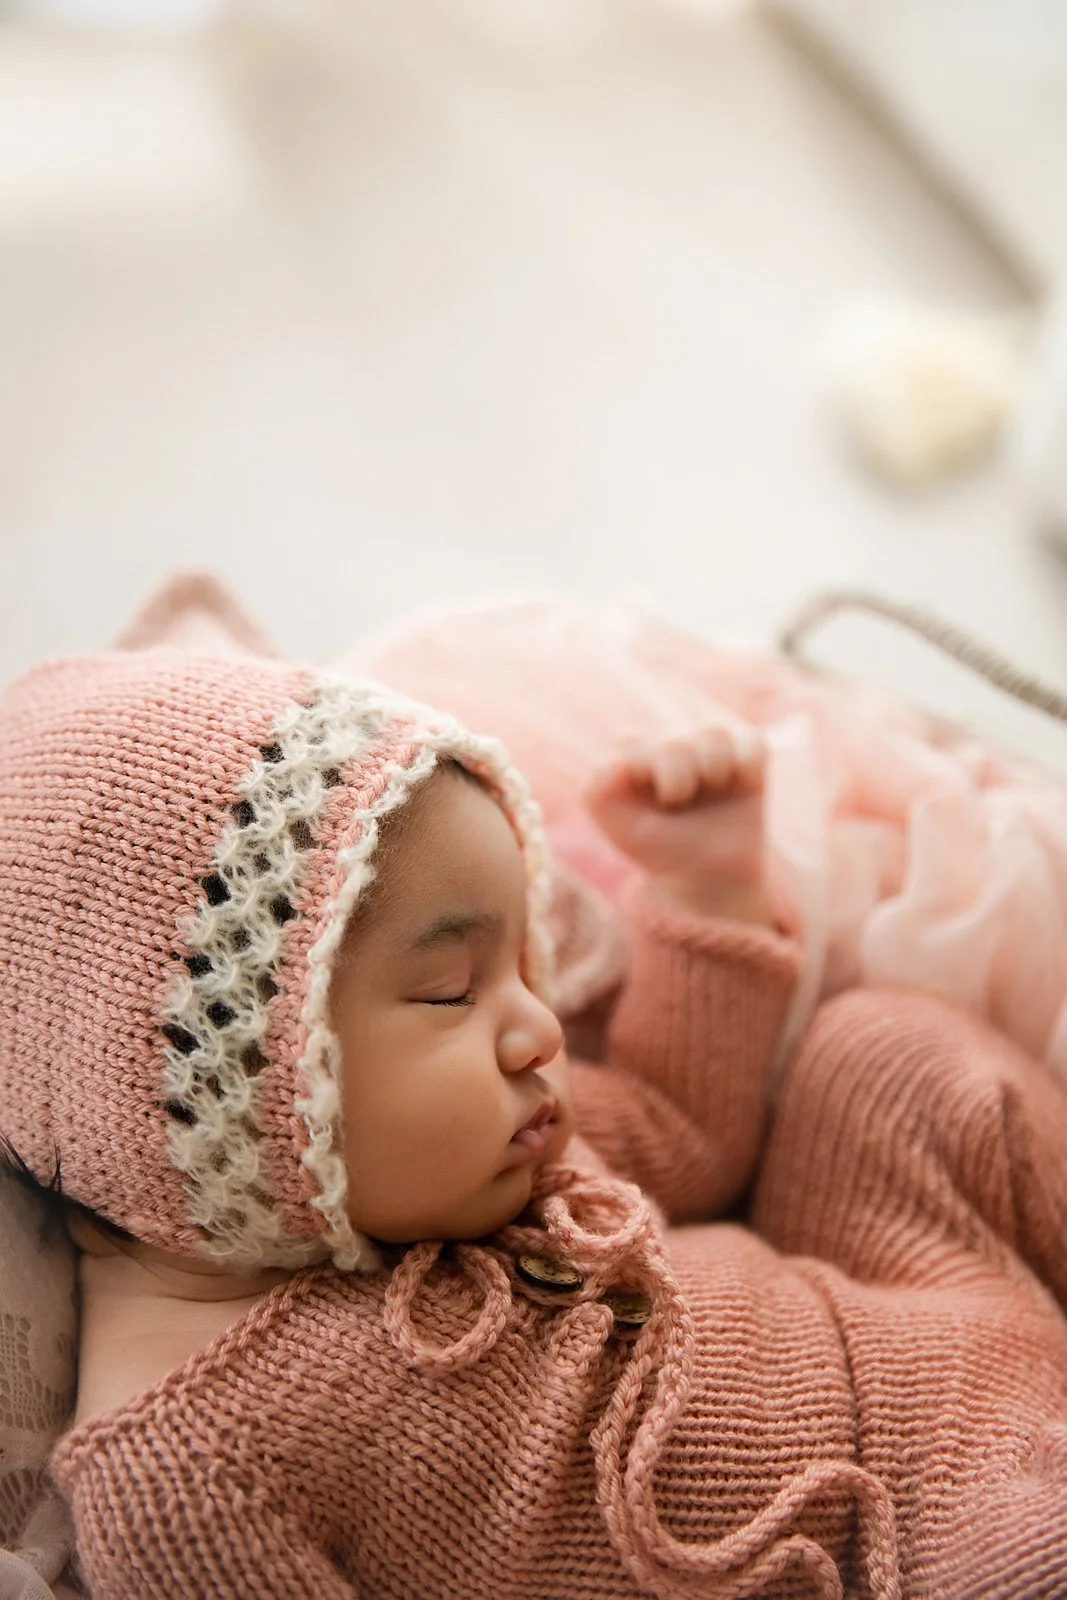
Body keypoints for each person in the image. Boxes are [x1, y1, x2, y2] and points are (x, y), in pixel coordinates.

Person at [1, 650, 1066, 1600]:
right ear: (224, 1083)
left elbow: (685, 1135)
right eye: (449, 990)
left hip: (903, 1277)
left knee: (880, 1055)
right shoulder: (185, 1475)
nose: (540, 1028)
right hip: (903, 1520)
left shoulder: (480, 1152)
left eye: (521, 966)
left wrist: (705, 885)